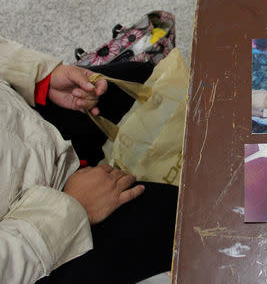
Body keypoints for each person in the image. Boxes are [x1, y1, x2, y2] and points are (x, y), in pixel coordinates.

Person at [0, 37, 178, 283]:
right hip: (38, 240)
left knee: (145, 79)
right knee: (176, 215)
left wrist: (38, 75)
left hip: (29, 124)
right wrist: (70, 208)